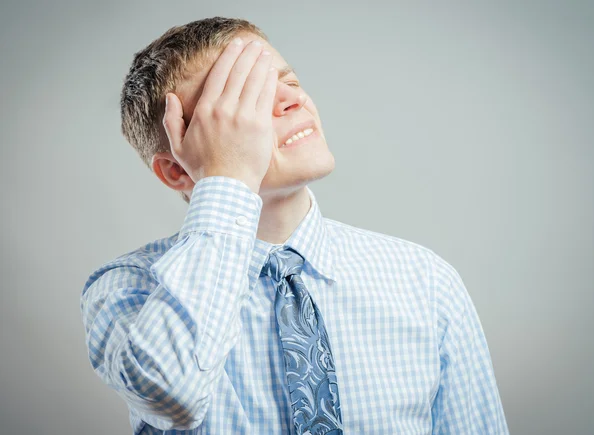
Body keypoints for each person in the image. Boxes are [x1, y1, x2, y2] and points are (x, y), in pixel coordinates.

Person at [80, 16, 510, 435]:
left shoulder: (425, 281)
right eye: (243, 102)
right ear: (176, 171)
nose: (291, 100)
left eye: (288, 80)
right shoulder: (128, 288)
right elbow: (172, 398)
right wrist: (228, 178)